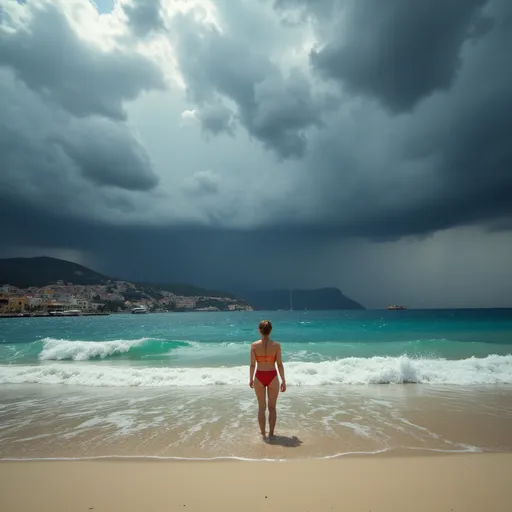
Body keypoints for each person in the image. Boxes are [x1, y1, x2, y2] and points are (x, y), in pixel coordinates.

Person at [249, 320, 286, 438]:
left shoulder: (254, 345)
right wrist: (283, 380)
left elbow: (252, 365)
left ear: (259, 330)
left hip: (259, 376)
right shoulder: (276, 345)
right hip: (272, 376)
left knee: (261, 407)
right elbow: (279, 364)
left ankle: (263, 434)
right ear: (270, 330)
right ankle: (271, 433)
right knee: (272, 408)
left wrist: (250, 379)